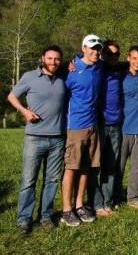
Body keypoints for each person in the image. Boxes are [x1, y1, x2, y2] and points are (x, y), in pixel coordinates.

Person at [8, 45, 66, 233]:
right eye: (50, 58)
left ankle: (46, 216)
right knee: (28, 181)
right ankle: (24, 219)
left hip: (57, 138)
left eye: (57, 59)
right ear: (43, 58)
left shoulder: (63, 77)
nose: (53, 62)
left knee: (51, 180)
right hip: (34, 137)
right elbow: (12, 96)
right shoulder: (30, 77)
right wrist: (24, 111)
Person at [61, 34, 103, 226]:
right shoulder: (71, 69)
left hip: (92, 124)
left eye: (98, 48)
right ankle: (66, 210)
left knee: (86, 166)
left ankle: (79, 205)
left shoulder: (98, 67)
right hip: (75, 126)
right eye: (92, 48)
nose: (96, 51)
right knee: (71, 168)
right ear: (83, 48)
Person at [90, 40, 124, 217]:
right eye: (109, 54)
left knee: (111, 166)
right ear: (102, 54)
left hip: (116, 125)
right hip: (99, 125)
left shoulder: (121, 69)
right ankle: (95, 203)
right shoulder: (97, 68)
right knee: (95, 166)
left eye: (116, 54)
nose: (113, 57)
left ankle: (108, 201)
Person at [119, 46, 138, 209]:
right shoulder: (120, 77)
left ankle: (134, 197)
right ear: (128, 58)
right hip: (123, 129)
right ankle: (115, 196)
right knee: (119, 166)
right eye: (135, 58)